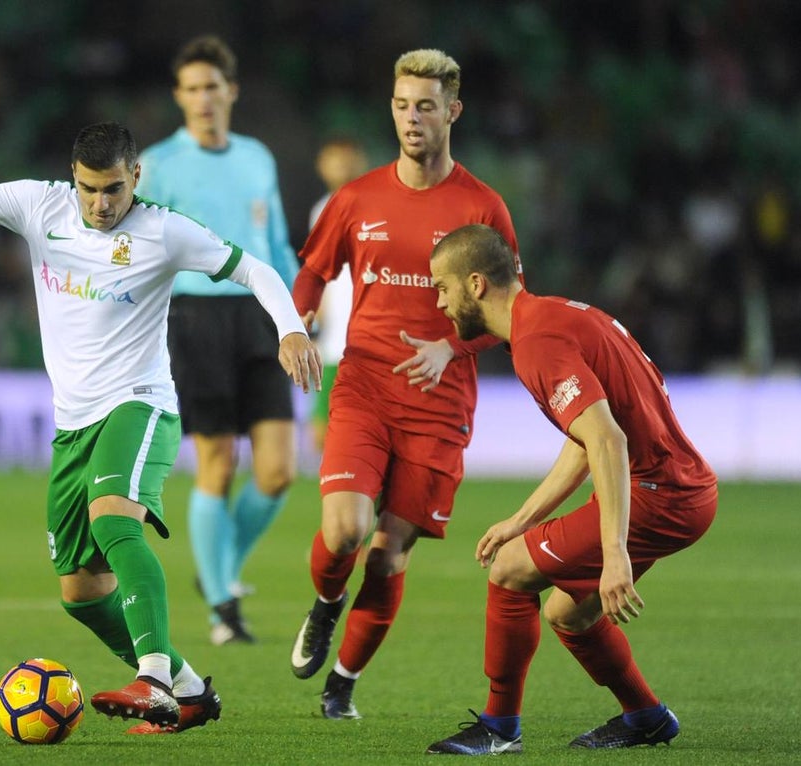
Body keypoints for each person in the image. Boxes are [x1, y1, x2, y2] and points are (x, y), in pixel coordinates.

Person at [0, 121, 321, 735]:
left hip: (140, 405)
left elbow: (256, 271)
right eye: (88, 189)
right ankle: (187, 690)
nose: (100, 204)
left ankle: (154, 679)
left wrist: (290, 328)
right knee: (80, 591)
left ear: (136, 176)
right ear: (72, 178)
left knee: (113, 520)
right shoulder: (40, 205)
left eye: (112, 189)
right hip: (72, 424)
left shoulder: (164, 231)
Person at [423, 224, 717, 755]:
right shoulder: (555, 315)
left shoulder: (537, 342)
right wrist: (522, 518)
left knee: (510, 571)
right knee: (568, 613)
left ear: (475, 284)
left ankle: (499, 727)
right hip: (679, 487)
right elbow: (588, 438)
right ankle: (646, 716)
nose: (439, 303)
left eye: (441, 288)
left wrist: (614, 553)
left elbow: (607, 440)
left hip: (658, 494)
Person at [289, 49, 521, 719]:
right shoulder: (357, 198)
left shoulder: (483, 206)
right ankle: (326, 605)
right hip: (363, 384)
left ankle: (343, 683)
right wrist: (296, 321)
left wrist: (453, 346)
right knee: (344, 530)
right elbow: (313, 270)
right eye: (400, 105)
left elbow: (514, 308)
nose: (411, 118)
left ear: (453, 111)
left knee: (389, 557)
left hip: (440, 403)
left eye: (425, 106)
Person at [137, 35, 302, 645]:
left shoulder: (258, 157)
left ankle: (219, 573)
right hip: (195, 318)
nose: (203, 98)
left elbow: (277, 239)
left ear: (231, 91)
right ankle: (221, 614)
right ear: (179, 97)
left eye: (212, 87)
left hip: (260, 315)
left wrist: (294, 316)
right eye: (191, 89)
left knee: (279, 470)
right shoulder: (156, 165)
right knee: (215, 463)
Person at [306, 136, 369, 456]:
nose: (341, 166)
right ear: (321, 165)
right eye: (334, 159)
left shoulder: (375, 205)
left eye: (348, 158)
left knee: (362, 435)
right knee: (321, 434)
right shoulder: (320, 209)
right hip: (333, 342)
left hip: (368, 338)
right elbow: (321, 274)